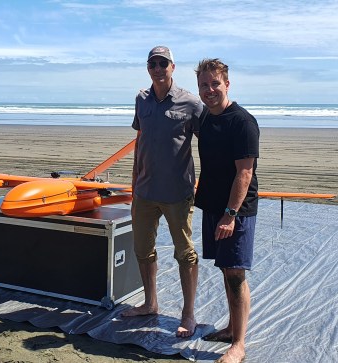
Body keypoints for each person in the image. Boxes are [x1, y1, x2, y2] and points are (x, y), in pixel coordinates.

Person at [122, 46, 205, 338]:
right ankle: (150, 303)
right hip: (144, 192)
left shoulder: (191, 103)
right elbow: (140, 142)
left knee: (185, 254)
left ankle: (188, 314)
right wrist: (134, 183)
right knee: (143, 251)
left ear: (172, 67)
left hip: (177, 194)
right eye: (152, 64)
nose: (157, 68)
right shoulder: (141, 100)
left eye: (163, 63)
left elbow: (208, 144)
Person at [194, 58, 259, 363]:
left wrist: (230, 215)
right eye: (204, 85)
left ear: (227, 84)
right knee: (225, 267)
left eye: (215, 83)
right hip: (212, 205)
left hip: (236, 212)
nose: (209, 90)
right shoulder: (205, 119)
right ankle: (231, 328)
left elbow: (244, 173)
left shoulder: (242, 122)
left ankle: (239, 344)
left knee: (236, 274)